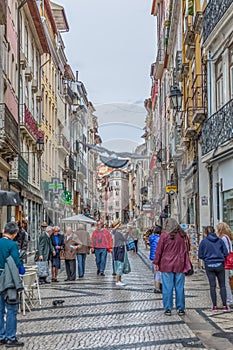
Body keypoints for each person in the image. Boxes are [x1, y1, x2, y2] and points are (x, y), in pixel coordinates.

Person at [153, 218, 190, 316]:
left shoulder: (164, 236)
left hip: (166, 265)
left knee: (167, 287)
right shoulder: (183, 236)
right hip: (180, 264)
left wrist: (156, 262)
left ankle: (168, 308)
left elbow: (159, 250)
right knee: (180, 287)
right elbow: (188, 248)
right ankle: (180, 308)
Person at [0, 222, 25, 347]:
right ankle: (10, 337)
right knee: (11, 308)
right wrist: (22, 269)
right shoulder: (12, 245)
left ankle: (1, 335)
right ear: (14, 234)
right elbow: (16, 261)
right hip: (8, 280)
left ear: (4, 230)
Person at [198, 225, 229, 311]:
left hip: (209, 265)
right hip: (220, 265)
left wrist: (206, 258)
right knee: (222, 285)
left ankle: (214, 306)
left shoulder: (203, 242)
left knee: (212, 286)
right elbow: (226, 253)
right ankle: (224, 305)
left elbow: (200, 255)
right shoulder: (220, 241)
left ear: (206, 233)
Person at [216, 221, 233, 307]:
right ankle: (228, 299)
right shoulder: (228, 237)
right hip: (228, 261)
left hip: (225, 262)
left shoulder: (223, 238)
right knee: (225, 281)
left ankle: (228, 300)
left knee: (224, 282)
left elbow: (225, 251)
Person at [112, 220, 131, 286]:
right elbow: (124, 239)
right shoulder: (116, 233)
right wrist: (128, 231)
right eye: (120, 225)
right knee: (120, 264)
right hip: (119, 250)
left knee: (119, 264)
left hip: (118, 249)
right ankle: (118, 281)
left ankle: (119, 280)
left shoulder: (116, 233)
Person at [149, 225, 162, 293]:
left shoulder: (151, 238)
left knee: (155, 273)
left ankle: (156, 287)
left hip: (152, 258)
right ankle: (158, 288)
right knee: (159, 273)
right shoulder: (160, 239)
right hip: (158, 258)